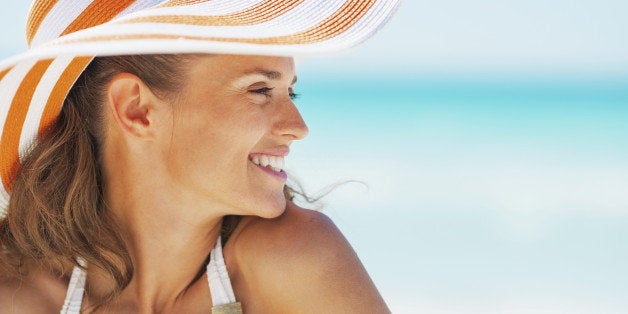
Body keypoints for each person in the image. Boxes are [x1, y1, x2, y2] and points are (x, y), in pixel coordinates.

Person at [0, 0, 399, 312]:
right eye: (261, 90)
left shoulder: (295, 260)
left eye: (290, 92)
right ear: (137, 108)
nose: (297, 126)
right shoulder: (15, 293)